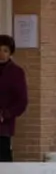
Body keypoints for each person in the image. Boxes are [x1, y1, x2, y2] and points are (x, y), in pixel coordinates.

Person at [0, 34, 28, 166]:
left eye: (5, 50)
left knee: (3, 159)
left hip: (3, 125)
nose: (1, 54)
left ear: (10, 52)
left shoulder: (16, 72)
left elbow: (22, 101)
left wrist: (6, 114)